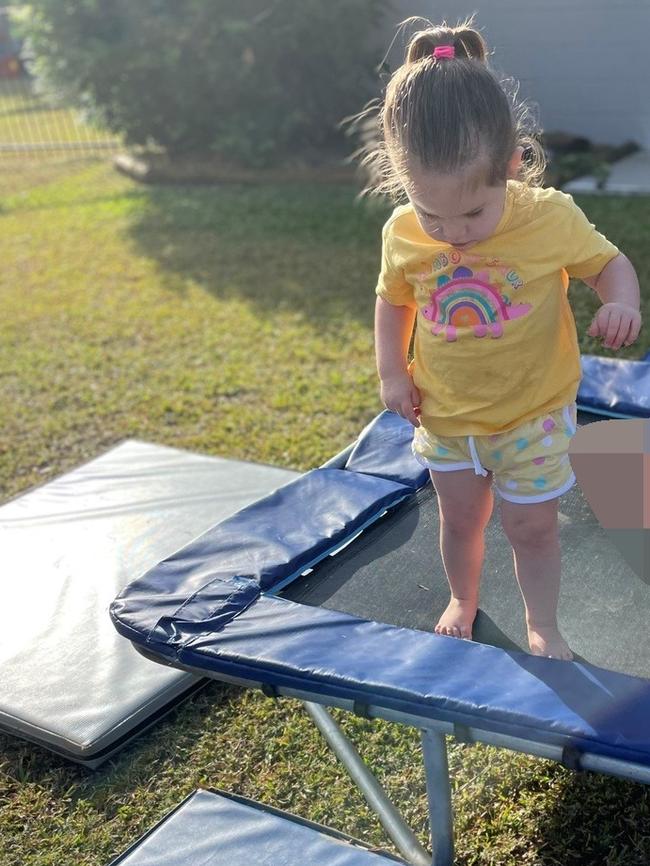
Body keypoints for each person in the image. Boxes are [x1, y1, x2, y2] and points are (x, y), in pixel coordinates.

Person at [368, 19, 642, 659]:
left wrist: (620, 301)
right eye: (431, 211)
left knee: (532, 528)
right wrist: (390, 373)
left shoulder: (548, 217)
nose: (452, 231)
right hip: (447, 413)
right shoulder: (405, 231)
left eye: (472, 213)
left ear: (513, 165)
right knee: (461, 521)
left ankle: (542, 623)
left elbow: (607, 265)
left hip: (532, 412)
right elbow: (391, 301)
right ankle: (463, 598)